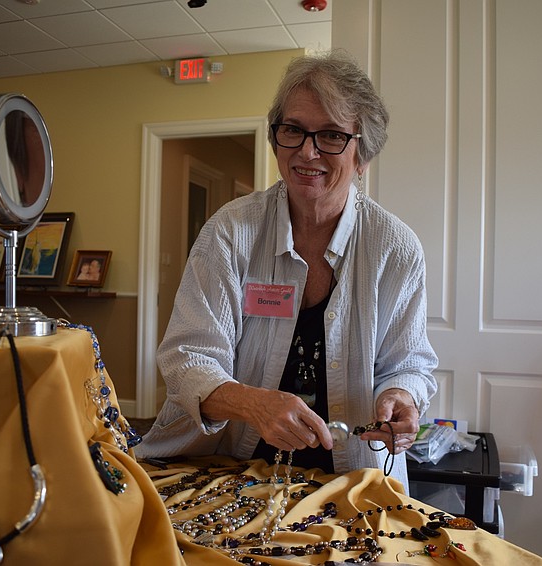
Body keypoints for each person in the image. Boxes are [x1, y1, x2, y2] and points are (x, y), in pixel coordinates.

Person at [136, 50, 438, 491]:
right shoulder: (230, 232)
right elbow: (187, 360)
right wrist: (252, 404)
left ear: (363, 154)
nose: (307, 151)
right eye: (293, 130)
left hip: (349, 473)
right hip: (232, 468)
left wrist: (400, 396)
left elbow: (409, 363)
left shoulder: (395, 247)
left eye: (332, 135)